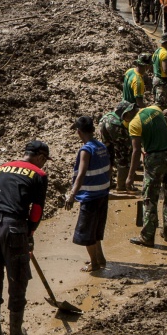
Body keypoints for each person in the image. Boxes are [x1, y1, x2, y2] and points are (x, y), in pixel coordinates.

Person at [0, 140, 50, 335]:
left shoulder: (4, 167)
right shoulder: (39, 175)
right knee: (17, 280)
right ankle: (15, 334)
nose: (44, 164)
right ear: (40, 157)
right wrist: (29, 234)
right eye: (44, 160)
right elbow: (36, 210)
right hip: (14, 228)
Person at [126, 99, 167, 248]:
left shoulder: (134, 124)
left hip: (156, 159)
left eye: (125, 117)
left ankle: (147, 237)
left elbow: (136, 151)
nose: (125, 120)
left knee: (150, 198)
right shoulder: (155, 109)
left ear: (129, 112)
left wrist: (130, 176)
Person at [64, 117, 111, 273]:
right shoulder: (101, 146)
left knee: (86, 233)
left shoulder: (86, 150)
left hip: (90, 197)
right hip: (102, 194)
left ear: (79, 132)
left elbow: (81, 174)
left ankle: (94, 263)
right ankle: (100, 258)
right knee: (96, 229)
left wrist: (72, 195)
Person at [100, 101, 138, 191]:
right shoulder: (117, 123)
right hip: (114, 129)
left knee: (109, 156)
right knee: (123, 156)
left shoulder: (108, 116)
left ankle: (107, 183)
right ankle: (122, 186)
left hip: (105, 129)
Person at [151, 33, 167, 105]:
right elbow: (165, 70)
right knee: (162, 103)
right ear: (166, 42)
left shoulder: (157, 51)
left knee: (157, 100)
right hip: (162, 81)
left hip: (156, 78)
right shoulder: (165, 53)